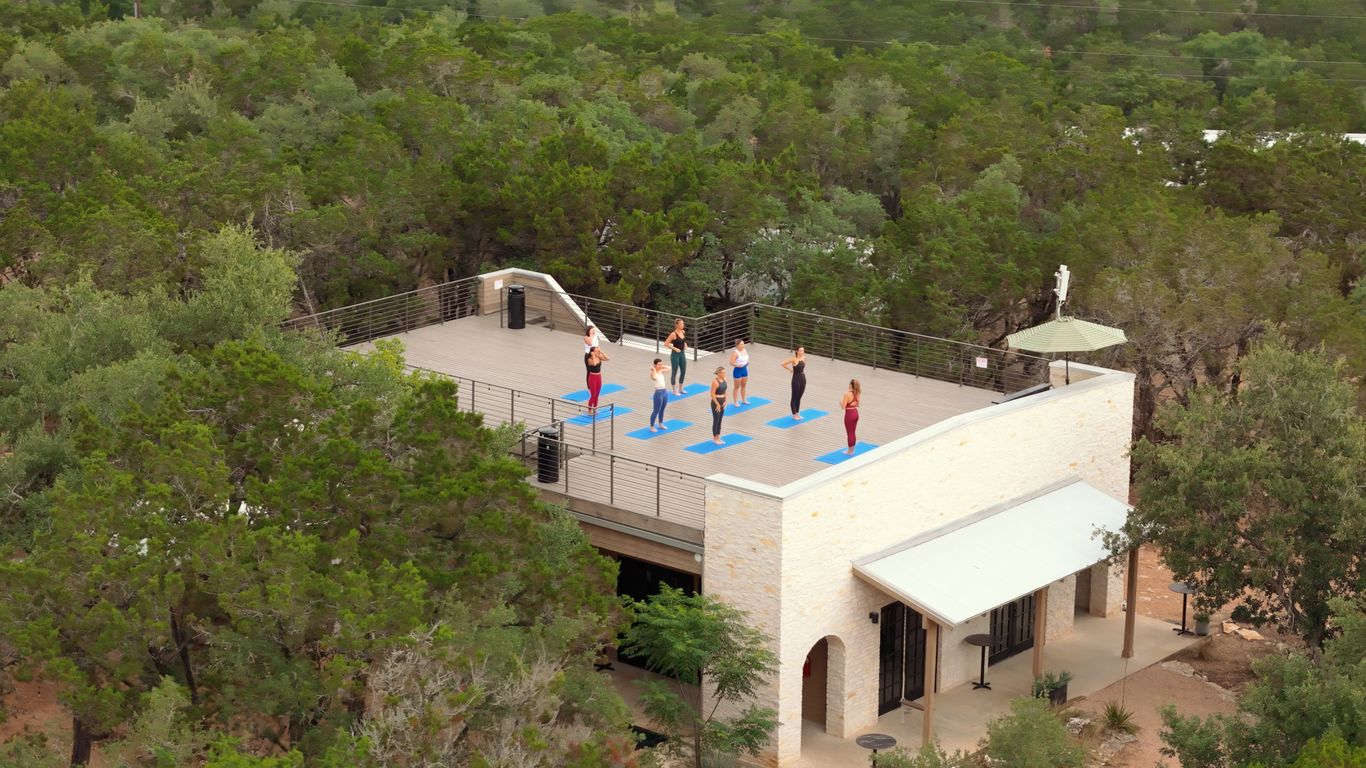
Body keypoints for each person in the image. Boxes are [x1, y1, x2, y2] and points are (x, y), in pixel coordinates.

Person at [780, 345, 806, 418]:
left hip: (803, 378)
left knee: (799, 397)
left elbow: (803, 368)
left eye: (803, 350)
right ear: (797, 351)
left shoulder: (804, 358)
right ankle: (794, 414)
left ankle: (797, 413)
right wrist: (790, 370)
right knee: (794, 397)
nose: (802, 352)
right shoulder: (794, 359)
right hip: (796, 379)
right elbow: (783, 364)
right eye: (800, 350)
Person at [664, 318, 688, 395]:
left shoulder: (683, 332)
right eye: (681, 324)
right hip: (675, 355)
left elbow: (683, 341)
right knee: (674, 372)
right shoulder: (673, 334)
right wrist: (675, 348)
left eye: (683, 323)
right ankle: (674, 391)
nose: (682, 325)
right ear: (677, 325)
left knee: (683, 371)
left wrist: (685, 344)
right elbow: (666, 343)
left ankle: (680, 389)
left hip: (682, 354)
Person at [585, 346, 609, 415]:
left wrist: (602, 352)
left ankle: (595, 408)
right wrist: (593, 355)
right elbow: (594, 364)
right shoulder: (589, 359)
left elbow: (607, 358)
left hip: (599, 377)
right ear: (592, 352)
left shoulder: (599, 357)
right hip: (592, 378)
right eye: (596, 351)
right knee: (593, 395)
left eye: (597, 351)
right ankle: (590, 409)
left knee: (597, 394)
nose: (597, 352)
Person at [839, 379, 861, 454]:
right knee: (853, 432)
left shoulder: (847, 394)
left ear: (851, 385)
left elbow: (843, 406)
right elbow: (857, 404)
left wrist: (840, 401)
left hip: (849, 414)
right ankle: (852, 450)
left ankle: (850, 451)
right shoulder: (857, 393)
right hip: (855, 413)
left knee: (850, 433)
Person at [708, 366, 728, 444]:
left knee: (720, 420)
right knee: (716, 420)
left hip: (722, 401)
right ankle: (715, 438)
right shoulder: (715, 382)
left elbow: (725, 391)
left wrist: (725, 401)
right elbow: (712, 395)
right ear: (719, 373)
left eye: (724, 372)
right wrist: (717, 404)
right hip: (716, 402)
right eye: (723, 372)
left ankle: (718, 437)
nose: (724, 374)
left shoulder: (725, 379)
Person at [649, 358, 670, 432]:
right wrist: (654, 370)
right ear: (655, 365)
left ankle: (660, 424)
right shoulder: (653, 373)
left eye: (661, 364)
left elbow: (669, 368)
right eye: (659, 364)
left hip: (664, 391)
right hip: (658, 393)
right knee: (656, 410)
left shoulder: (661, 371)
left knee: (662, 409)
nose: (661, 365)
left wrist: (661, 366)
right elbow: (654, 377)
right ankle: (652, 426)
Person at [729, 339, 751, 405]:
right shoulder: (736, 352)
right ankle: (735, 402)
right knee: (737, 387)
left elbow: (747, 359)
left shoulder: (745, 350)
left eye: (743, 344)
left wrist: (748, 362)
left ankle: (744, 400)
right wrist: (738, 365)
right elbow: (731, 362)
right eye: (741, 344)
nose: (743, 345)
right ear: (737, 345)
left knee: (744, 386)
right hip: (738, 371)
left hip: (744, 370)